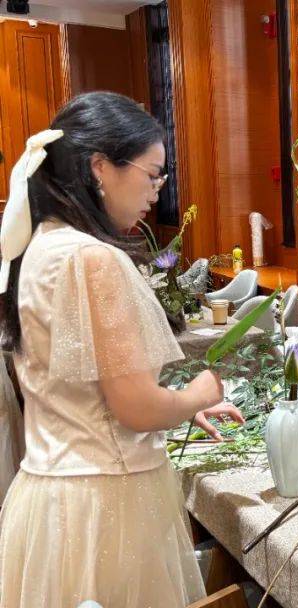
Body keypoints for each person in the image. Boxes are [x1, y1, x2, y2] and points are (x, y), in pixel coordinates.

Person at [0, 91, 242, 606]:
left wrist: (173, 409)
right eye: (152, 174)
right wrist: (200, 391)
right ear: (100, 168)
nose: (157, 190)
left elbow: (83, 390)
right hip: (106, 504)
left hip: (50, 500)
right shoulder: (93, 259)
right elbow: (134, 409)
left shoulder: (39, 247)